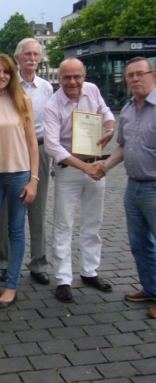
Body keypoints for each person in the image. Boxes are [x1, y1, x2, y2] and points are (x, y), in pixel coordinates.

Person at [43, 58, 115, 303]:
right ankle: (63, 279)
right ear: (59, 79)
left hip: (94, 165)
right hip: (70, 169)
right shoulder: (53, 105)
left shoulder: (92, 90)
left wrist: (110, 128)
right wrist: (84, 167)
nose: (72, 82)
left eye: (77, 76)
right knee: (63, 226)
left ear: (84, 76)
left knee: (93, 222)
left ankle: (89, 271)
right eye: (66, 77)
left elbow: (105, 111)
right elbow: (52, 146)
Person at [0, 54, 39, 309]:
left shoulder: (22, 100)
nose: (1, 75)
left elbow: (32, 143)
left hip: (18, 174)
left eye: (6, 71)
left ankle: (11, 286)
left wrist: (34, 179)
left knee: (15, 232)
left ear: (12, 75)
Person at [101, 57, 156, 318]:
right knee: (139, 243)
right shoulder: (129, 109)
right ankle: (150, 287)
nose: (134, 79)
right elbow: (121, 147)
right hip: (133, 186)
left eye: (140, 74)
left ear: (153, 76)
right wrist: (104, 167)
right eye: (130, 75)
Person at [0, 38, 54, 285]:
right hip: (10, 150)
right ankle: (4, 262)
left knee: (37, 208)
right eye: (27, 54)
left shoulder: (46, 88)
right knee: (5, 210)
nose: (32, 58)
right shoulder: (9, 86)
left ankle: (38, 262)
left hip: (38, 149)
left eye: (36, 54)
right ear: (17, 58)